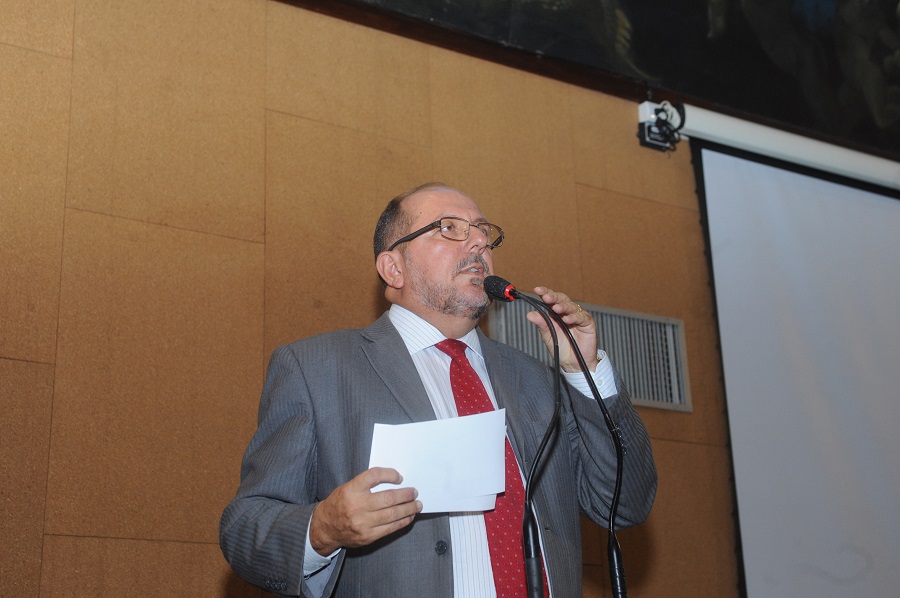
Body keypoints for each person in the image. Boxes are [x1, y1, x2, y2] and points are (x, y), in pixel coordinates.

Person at [219, 183, 657, 597]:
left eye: (483, 232)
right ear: (394, 268)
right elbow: (245, 528)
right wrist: (322, 528)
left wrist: (585, 370)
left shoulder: (539, 381)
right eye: (449, 228)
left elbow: (624, 503)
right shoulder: (318, 369)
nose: (479, 243)